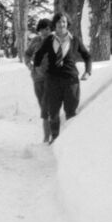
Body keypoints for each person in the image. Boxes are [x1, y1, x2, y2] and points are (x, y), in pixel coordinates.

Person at [32, 12, 92, 143]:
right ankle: (55, 139)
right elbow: (38, 55)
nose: (61, 24)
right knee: (53, 112)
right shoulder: (49, 40)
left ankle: (70, 142)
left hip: (71, 80)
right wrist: (37, 69)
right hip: (52, 80)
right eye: (59, 22)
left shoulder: (75, 40)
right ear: (55, 24)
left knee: (71, 111)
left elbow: (87, 56)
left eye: (64, 22)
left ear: (67, 24)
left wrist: (87, 71)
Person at [24, 17, 53, 143]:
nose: (45, 32)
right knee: (43, 108)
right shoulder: (35, 41)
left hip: (51, 78)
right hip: (37, 79)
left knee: (48, 107)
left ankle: (50, 136)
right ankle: (47, 136)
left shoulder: (54, 41)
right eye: (42, 29)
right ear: (39, 30)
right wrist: (29, 65)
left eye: (47, 29)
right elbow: (27, 54)